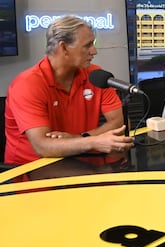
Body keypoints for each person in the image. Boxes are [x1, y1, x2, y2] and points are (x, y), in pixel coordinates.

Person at [4, 15, 134, 165]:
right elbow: (42, 147)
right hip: (31, 169)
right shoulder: (27, 84)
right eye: (87, 45)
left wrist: (80, 138)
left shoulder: (96, 75)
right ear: (64, 47)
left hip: (80, 162)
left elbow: (119, 123)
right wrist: (93, 142)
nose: (94, 51)